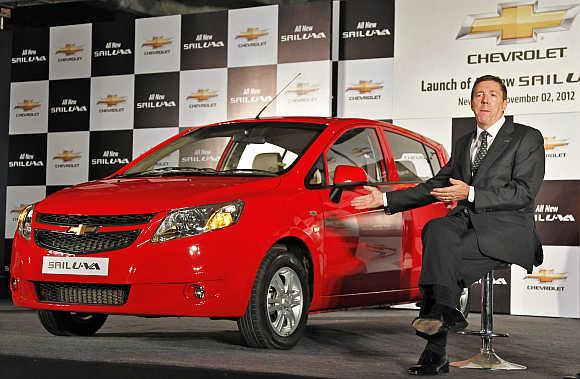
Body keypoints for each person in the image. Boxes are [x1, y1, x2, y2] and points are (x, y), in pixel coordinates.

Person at [351, 75, 545, 376]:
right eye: (479, 94)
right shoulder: (466, 142)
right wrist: (386, 198)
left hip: (508, 229)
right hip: (466, 224)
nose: (484, 100)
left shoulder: (526, 137)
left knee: (441, 259)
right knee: (436, 231)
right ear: (471, 102)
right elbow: (437, 184)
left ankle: (436, 348)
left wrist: (470, 193)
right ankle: (445, 311)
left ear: (504, 103)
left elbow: (523, 192)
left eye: (492, 95)